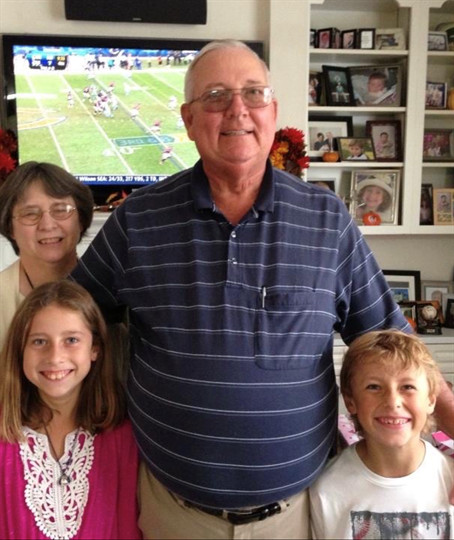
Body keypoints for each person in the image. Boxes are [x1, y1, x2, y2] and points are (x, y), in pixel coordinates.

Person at [71, 39, 454, 539]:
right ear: (188, 120)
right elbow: (72, 322)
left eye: (253, 93)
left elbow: (397, 344)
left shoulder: (326, 221)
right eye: (216, 96)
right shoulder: (137, 220)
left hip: (294, 515)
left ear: (273, 112)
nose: (237, 109)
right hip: (173, 512)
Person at [0, 280, 142, 539]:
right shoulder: (4, 437)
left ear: (95, 349)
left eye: (71, 340)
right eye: (39, 341)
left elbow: (128, 529)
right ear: (20, 350)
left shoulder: (123, 436)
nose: (55, 357)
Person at [309, 330, 454, 539]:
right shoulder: (327, 488)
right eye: (374, 387)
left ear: (431, 400)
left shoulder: (449, 478)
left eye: (408, 387)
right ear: (351, 401)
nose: (392, 402)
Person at [0, 161, 94, 349]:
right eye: (30, 214)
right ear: (10, 228)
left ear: (81, 220)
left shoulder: (110, 295)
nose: (47, 225)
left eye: (61, 210)